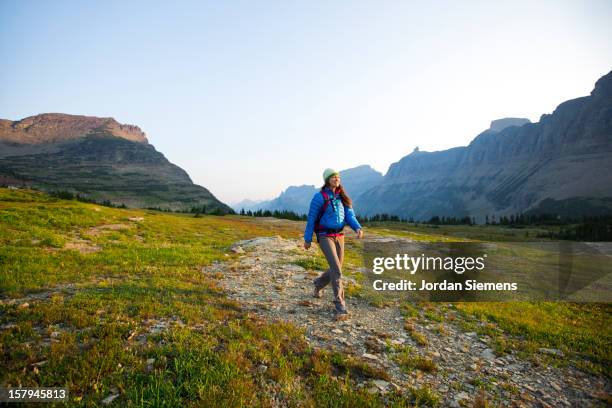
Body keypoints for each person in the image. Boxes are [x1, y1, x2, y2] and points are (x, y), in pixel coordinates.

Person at [303, 168, 364, 318]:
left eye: (338, 176)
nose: (336, 179)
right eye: (333, 177)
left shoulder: (342, 197)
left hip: (340, 236)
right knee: (337, 269)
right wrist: (307, 239)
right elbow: (311, 218)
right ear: (327, 180)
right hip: (325, 236)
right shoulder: (319, 197)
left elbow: (349, 215)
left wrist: (357, 227)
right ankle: (339, 304)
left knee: (336, 268)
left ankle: (318, 284)